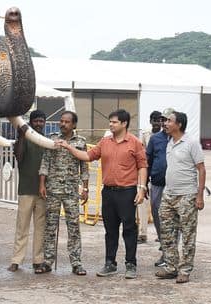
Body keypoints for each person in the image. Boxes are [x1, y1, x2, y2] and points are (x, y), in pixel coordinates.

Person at [58, 109, 147, 279]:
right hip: (108, 193)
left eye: (114, 122)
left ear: (124, 123)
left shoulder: (134, 143)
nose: (110, 124)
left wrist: (141, 189)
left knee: (129, 229)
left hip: (127, 192)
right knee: (110, 230)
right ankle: (110, 263)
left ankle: (130, 264)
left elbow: (142, 166)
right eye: (110, 122)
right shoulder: (105, 142)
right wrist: (68, 147)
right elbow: (87, 156)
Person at [154, 111, 206, 284]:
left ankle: (184, 270)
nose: (165, 123)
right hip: (168, 194)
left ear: (179, 125)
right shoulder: (170, 142)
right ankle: (171, 267)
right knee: (167, 233)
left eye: (169, 121)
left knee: (188, 235)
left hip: (187, 195)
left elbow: (201, 169)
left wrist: (199, 196)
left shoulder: (191, 143)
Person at [37, 110, 89, 275]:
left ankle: (76, 262)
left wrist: (85, 188)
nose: (63, 124)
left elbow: (84, 166)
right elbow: (45, 162)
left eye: (67, 122)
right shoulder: (52, 139)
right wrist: (42, 184)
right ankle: (47, 261)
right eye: (61, 121)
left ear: (74, 125)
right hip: (52, 189)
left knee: (73, 227)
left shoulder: (80, 142)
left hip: (71, 191)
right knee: (50, 226)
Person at [8, 110, 48, 273]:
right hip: (26, 189)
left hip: (44, 191)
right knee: (22, 227)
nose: (39, 124)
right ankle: (16, 260)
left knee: (40, 227)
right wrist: (22, 136)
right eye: (36, 121)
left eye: (41, 121)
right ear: (30, 122)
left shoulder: (48, 141)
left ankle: (38, 260)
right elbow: (19, 155)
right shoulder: (22, 140)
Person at [146, 109, 169, 267]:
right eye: (163, 120)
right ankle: (165, 249)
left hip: (176, 186)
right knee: (157, 215)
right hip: (157, 183)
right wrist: (144, 182)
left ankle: (170, 253)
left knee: (173, 219)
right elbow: (148, 160)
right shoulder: (155, 139)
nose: (164, 123)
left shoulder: (181, 139)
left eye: (168, 119)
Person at [137, 110, 160, 244]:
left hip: (159, 174)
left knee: (158, 205)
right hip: (146, 172)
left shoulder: (166, 136)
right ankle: (142, 234)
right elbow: (142, 153)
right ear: (150, 121)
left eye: (159, 120)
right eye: (154, 120)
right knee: (142, 203)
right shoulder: (146, 134)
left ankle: (161, 234)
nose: (157, 123)